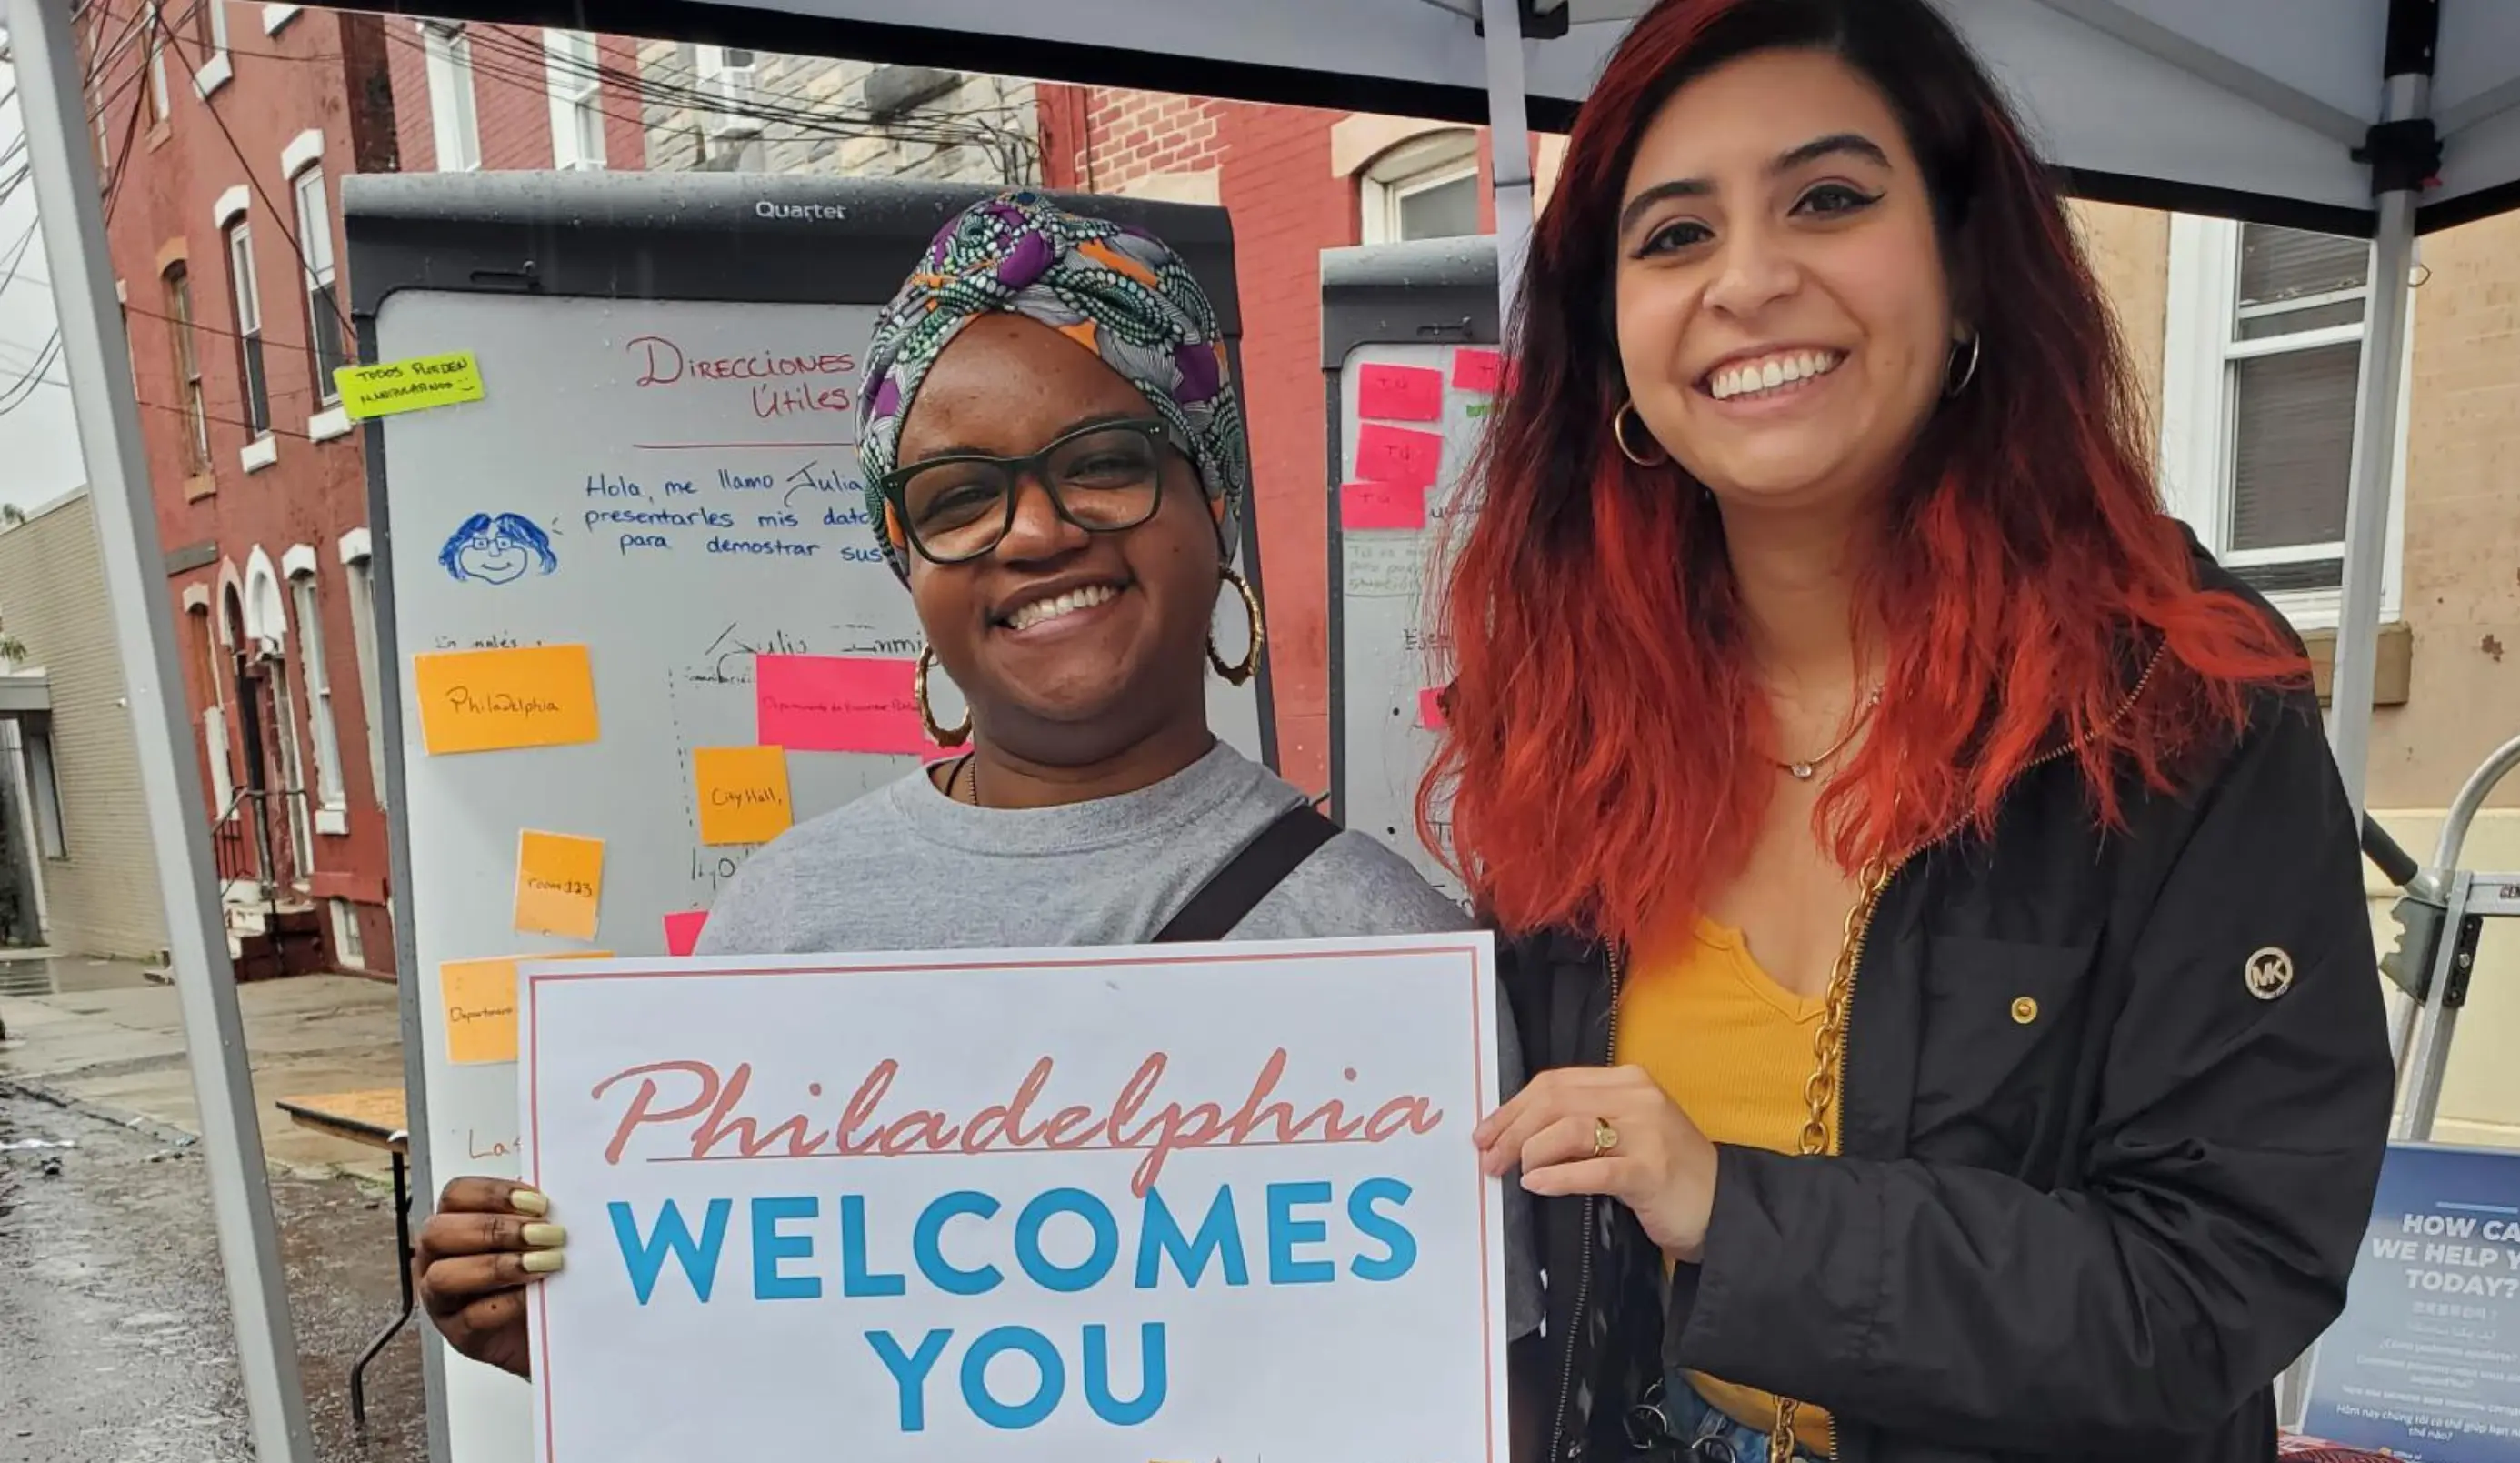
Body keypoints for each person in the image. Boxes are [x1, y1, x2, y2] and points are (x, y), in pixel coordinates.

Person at [411, 192, 1546, 1427]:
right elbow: (750, 1389)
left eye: (1104, 466)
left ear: (1210, 503)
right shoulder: (790, 919)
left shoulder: (1385, 950)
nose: (1038, 531)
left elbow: (1468, 1404)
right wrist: (588, 1336)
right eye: (958, 498)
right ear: (911, 566)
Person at [1435, 3, 2395, 1461]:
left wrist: (1736, 1211)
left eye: (1829, 198)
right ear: (1609, 339)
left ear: (1963, 271)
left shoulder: (2173, 700)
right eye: (1674, 235)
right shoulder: (1571, 708)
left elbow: (2222, 1275)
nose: (1749, 280)